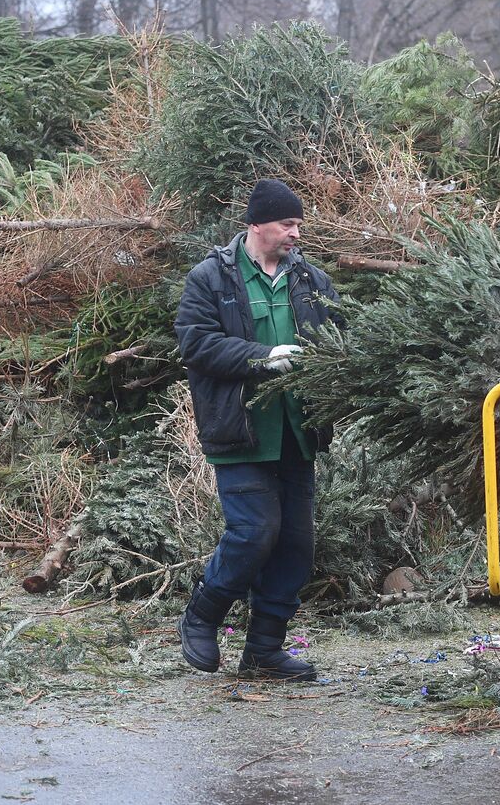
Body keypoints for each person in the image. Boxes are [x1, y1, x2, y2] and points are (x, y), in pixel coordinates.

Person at [173, 178, 341, 681]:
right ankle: (202, 615)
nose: (295, 234)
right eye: (287, 224)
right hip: (242, 431)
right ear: (256, 226)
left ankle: (265, 651)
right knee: (254, 533)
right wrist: (264, 358)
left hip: (298, 431)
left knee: (294, 543)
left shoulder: (309, 279)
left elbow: (342, 332)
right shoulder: (211, 279)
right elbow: (196, 345)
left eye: (298, 225)